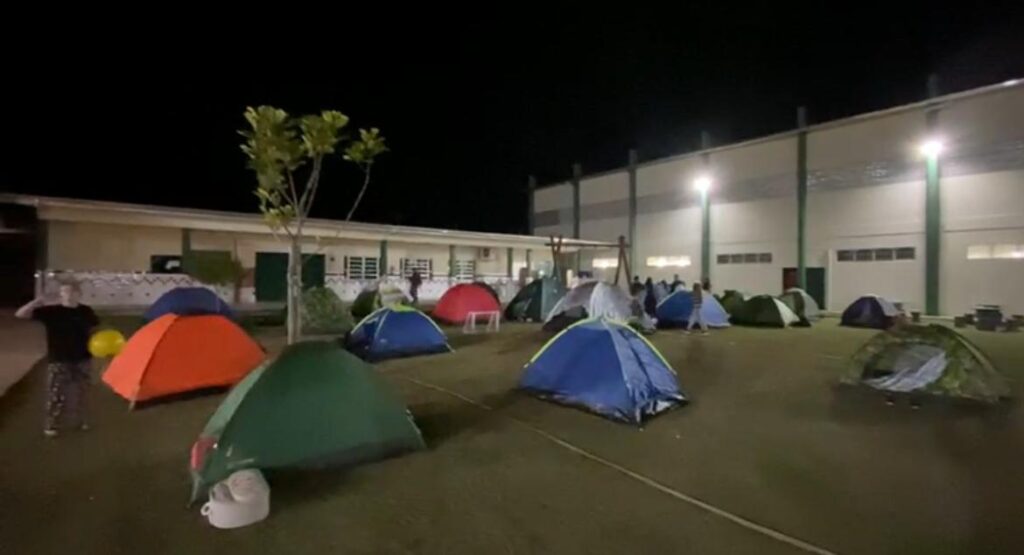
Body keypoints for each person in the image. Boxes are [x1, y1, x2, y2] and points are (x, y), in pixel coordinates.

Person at [15, 281, 99, 437]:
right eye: (64, 292)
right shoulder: (52, 311)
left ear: (78, 294)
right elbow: (20, 314)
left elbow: (94, 330)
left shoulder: (86, 311)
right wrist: (36, 302)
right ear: (60, 294)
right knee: (56, 394)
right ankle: (52, 424)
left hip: (83, 358)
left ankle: (81, 421)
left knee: (82, 392)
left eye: (71, 292)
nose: (67, 295)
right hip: (59, 358)